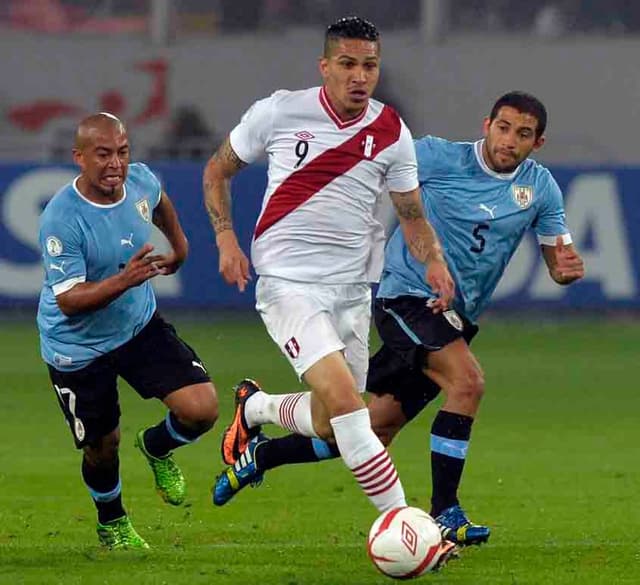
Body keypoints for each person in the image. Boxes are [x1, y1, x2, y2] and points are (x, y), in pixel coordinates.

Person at [211, 91, 586, 546]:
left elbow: (558, 257)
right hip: (406, 297)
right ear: (486, 124)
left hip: (455, 316)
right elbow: (378, 178)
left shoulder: (540, 187)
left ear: (538, 143)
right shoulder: (434, 155)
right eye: (503, 128)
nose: (510, 140)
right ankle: (444, 511)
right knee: (467, 382)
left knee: (366, 428)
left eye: (523, 134)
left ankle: (261, 448)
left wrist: (565, 270)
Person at [202, 16, 454, 520]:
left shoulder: (391, 131)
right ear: (325, 66)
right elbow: (216, 171)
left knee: (328, 421)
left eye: (369, 66)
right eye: (347, 64)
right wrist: (226, 238)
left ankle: (255, 409)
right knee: (349, 408)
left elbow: (410, 214)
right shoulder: (278, 113)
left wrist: (436, 261)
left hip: (353, 292)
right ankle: (403, 524)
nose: (359, 76)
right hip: (288, 286)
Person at [37, 112, 219, 550]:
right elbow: (69, 299)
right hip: (77, 346)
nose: (115, 163)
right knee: (103, 445)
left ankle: (157, 446)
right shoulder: (62, 218)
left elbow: (160, 201)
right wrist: (125, 279)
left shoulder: (139, 180)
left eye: (122, 152)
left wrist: (180, 245)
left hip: (136, 325)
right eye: (103, 154)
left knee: (202, 408)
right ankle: (112, 521)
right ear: (79, 157)